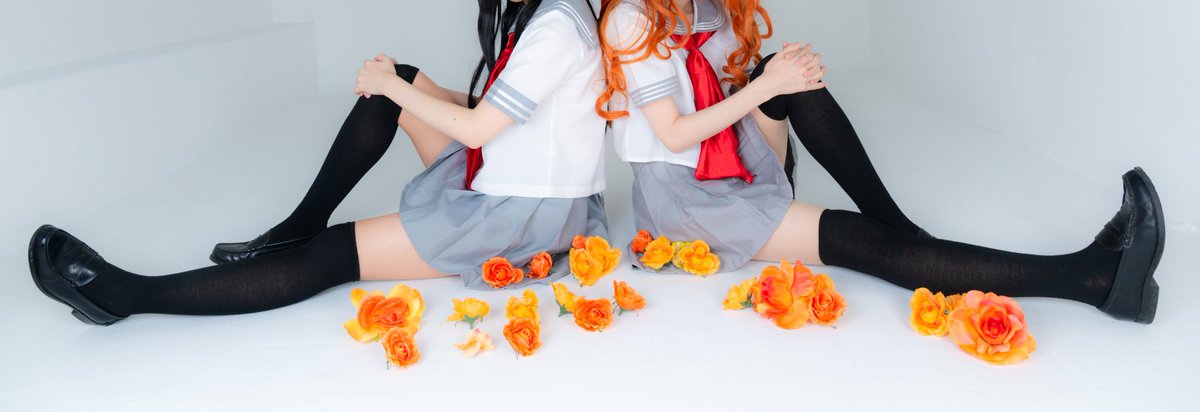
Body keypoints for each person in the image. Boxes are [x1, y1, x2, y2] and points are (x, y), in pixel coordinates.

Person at [30, 0, 609, 325]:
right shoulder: (544, 12)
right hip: (517, 178)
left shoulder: (556, 28)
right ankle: (297, 226)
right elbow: (499, 109)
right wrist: (400, 84)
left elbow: (480, 129)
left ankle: (126, 295)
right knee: (400, 83)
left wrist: (392, 86)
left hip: (521, 215)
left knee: (332, 255)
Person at [597, 0, 1164, 323]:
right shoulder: (631, 18)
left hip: (737, 161)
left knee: (780, 72)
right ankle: (1094, 280)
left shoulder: (708, 7)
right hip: (689, 199)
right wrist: (767, 86)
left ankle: (903, 230)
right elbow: (673, 134)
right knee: (863, 242)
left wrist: (779, 77)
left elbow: (731, 95)